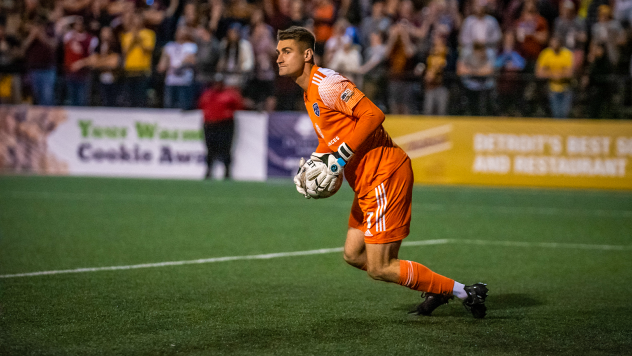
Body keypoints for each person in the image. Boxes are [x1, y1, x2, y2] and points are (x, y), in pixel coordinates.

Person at [276, 26, 488, 318]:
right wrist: (317, 161)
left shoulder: (326, 83)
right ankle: (438, 287)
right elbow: (333, 136)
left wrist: (338, 159)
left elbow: (373, 114)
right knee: (353, 254)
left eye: (286, 51)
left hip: (384, 173)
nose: (279, 58)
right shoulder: (308, 94)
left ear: (307, 54)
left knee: (380, 267)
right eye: (278, 52)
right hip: (366, 181)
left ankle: (465, 292)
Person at [198, 74, 244, 180]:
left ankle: (227, 171)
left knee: (226, 148)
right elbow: (201, 105)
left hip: (225, 124)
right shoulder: (207, 95)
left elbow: (239, 106)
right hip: (210, 124)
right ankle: (209, 171)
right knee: (210, 148)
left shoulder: (230, 94)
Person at [157, 26, 197, 110]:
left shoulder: (191, 46)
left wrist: (180, 65)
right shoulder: (169, 46)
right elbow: (162, 64)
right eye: (178, 31)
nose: (180, 34)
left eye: (182, 31)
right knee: (169, 107)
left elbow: (191, 60)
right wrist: (164, 63)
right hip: (171, 81)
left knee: (183, 107)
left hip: (184, 82)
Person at [536, 36, 574, 118]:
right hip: (552, 88)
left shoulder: (567, 54)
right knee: (556, 115)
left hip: (566, 88)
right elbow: (539, 73)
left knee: (564, 115)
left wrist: (552, 72)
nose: (554, 45)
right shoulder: (546, 53)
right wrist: (554, 74)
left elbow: (570, 73)